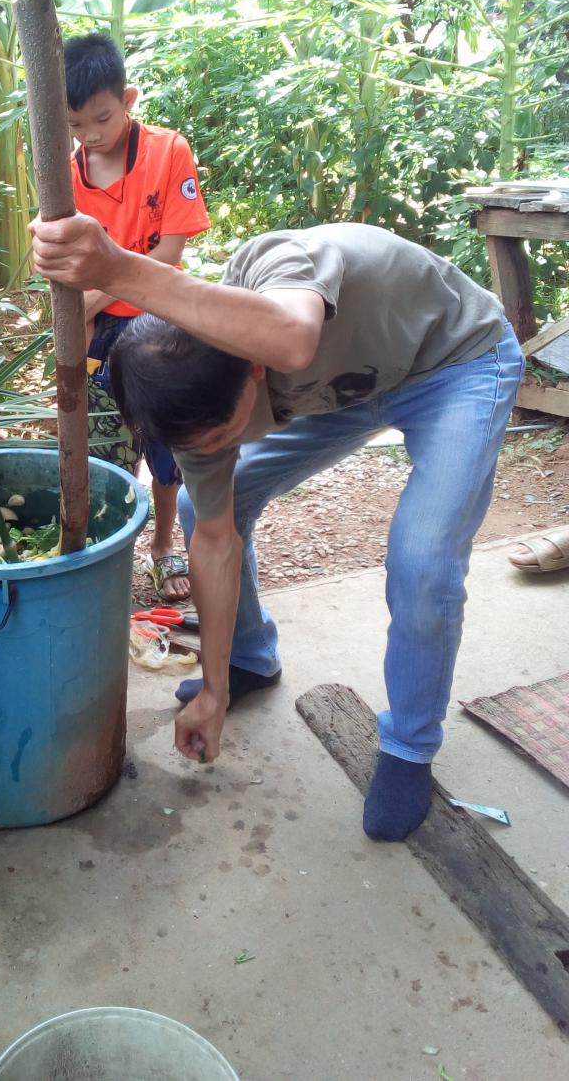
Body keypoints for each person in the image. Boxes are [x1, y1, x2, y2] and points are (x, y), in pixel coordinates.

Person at [31, 213, 524, 841]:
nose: (214, 450)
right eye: (199, 445)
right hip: (345, 390)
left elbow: (292, 340)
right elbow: (215, 540)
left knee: (423, 559)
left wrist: (116, 268)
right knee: (203, 509)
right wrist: (212, 691)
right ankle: (248, 660)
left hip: (454, 362)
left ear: (253, 368)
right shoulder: (190, 402)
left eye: (224, 433)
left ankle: (410, 745)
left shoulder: (282, 262)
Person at [64, 33, 210, 602]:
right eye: (76, 125)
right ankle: (108, 553)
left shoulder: (168, 151)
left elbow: (169, 253)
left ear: (128, 99)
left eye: (102, 118)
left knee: (166, 447)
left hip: (159, 319)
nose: (90, 135)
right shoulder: (65, 173)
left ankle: (164, 545)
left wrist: (98, 294)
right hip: (97, 332)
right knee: (105, 445)